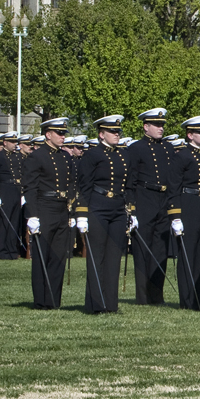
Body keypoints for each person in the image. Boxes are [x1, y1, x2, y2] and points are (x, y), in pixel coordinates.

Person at [75, 115, 129, 314]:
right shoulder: (92, 155)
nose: (116, 134)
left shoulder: (122, 155)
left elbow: (128, 184)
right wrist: (82, 213)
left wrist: (130, 209)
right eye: (112, 131)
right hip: (98, 206)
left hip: (117, 208)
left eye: (118, 131)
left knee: (114, 257)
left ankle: (111, 304)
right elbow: (83, 185)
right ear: (101, 134)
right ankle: (95, 304)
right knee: (97, 256)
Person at [23, 117, 78, 309]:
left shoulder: (66, 157)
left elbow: (71, 183)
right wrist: (32, 215)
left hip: (61, 209)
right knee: (42, 257)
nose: (63, 137)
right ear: (48, 134)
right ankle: (41, 300)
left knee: (58, 257)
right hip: (44, 208)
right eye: (59, 133)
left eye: (64, 133)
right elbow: (30, 187)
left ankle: (54, 300)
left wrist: (71, 210)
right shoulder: (37, 156)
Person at [126, 108, 175, 304]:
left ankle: (157, 294)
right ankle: (143, 295)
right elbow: (130, 180)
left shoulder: (168, 149)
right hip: (144, 198)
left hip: (162, 201)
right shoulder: (136, 148)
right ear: (146, 127)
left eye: (162, 125)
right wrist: (131, 208)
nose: (160, 128)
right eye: (156, 125)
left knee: (160, 250)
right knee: (142, 250)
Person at [169, 116, 200, 310]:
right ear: (190, 135)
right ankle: (187, 299)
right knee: (188, 253)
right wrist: (175, 216)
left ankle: (199, 298)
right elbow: (173, 187)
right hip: (188, 204)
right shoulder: (181, 156)